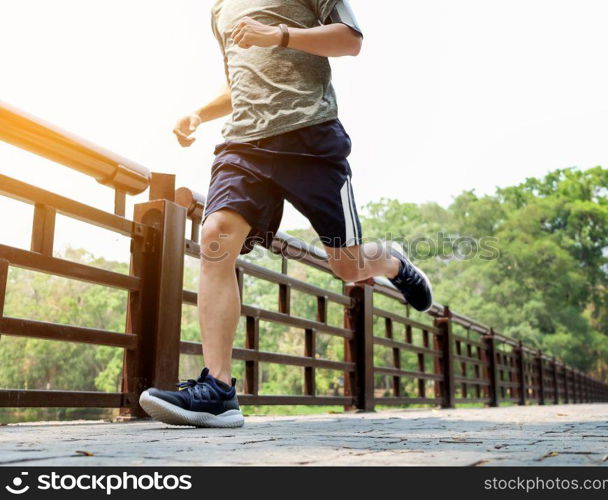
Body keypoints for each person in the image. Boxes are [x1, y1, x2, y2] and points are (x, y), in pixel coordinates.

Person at [139, 0, 433, 428]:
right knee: (216, 237)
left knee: (347, 268)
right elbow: (242, 84)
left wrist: (278, 35)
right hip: (244, 144)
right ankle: (219, 390)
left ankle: (391, 260)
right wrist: (199, 113)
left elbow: (350, 41)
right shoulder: (220, 9)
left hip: (311, 138)